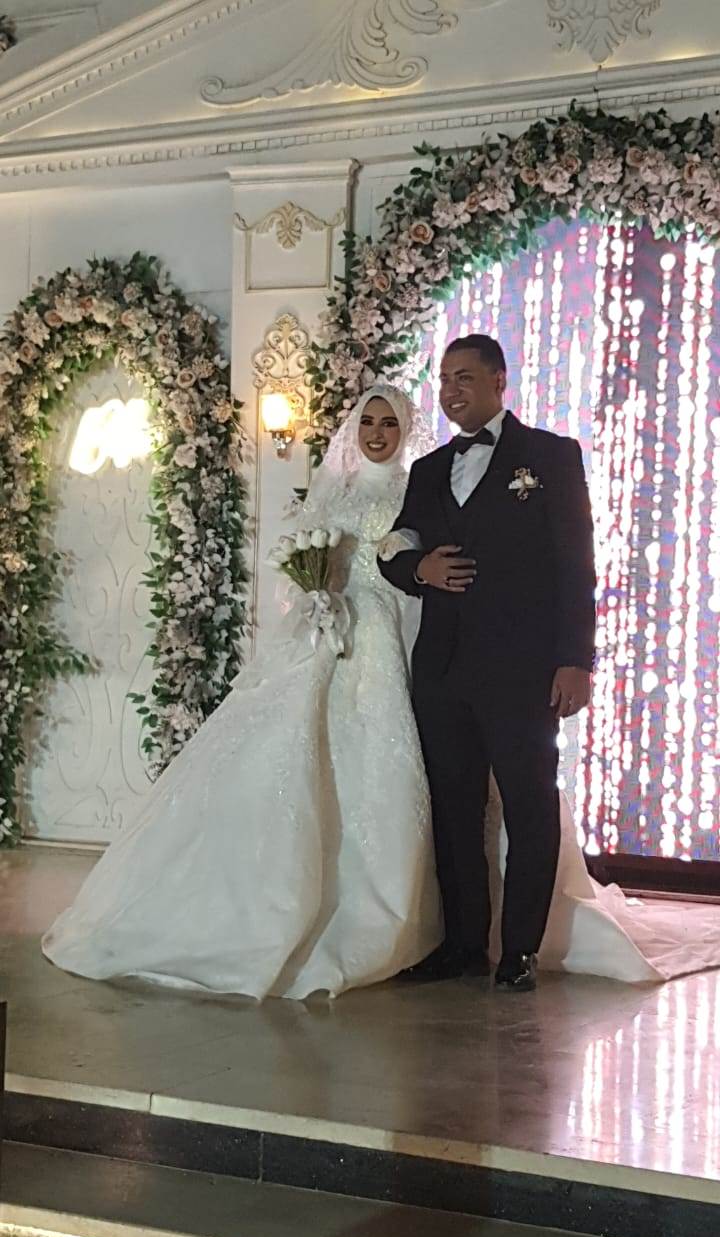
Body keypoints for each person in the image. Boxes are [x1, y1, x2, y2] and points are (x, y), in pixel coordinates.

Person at [42, 387, 443, 1000]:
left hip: (387, 633)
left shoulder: (417, 491)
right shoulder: (335, 487)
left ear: (406, 429)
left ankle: (385, 903)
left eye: (390, 423)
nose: (378, 433)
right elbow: (309, 555)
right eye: (368, 421)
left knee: (380, 756)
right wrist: (315, 595)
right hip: (325, 631)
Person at [379, 334, 596, 993]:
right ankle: (464, 945)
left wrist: (575, 660)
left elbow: (576, 564)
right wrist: (418, 568)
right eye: (445, 378)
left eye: (465, 377)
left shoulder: (551, 457)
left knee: (529, 807)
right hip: (443, 669)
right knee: (454, 811)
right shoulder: (427, 470)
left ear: (500, 382)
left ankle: (520, 950)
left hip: (523, 668)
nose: (451, 390)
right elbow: (395, 546)